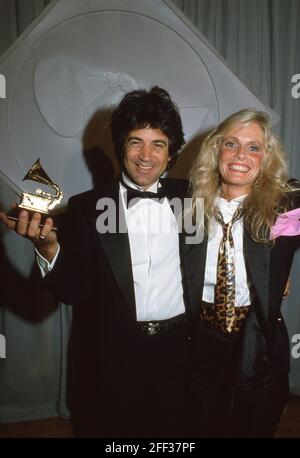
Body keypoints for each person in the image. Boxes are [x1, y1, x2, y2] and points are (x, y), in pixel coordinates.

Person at [0, 86, 192, 437]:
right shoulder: (86, 208)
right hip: (112, 358)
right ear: (120, 145)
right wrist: (48, 249)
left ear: (170, 152)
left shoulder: (193, 199)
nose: (145, 155)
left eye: (158, 144)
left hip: (180, 354)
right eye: (136, 141)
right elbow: (73, 290)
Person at [183, 108, 300, 437]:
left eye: (253, 147)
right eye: (231, 143)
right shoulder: (187, 206)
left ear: (266, 157)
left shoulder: (287, 206)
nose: (240, 156)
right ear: (216, 149)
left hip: (258, 339)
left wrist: (278, 274)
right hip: (201, 341)